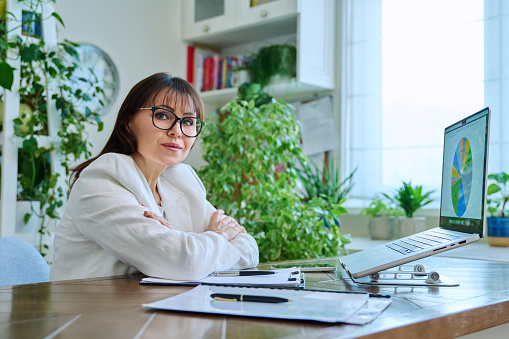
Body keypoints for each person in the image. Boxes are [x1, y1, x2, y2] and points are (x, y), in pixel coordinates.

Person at [49, 73, 259, 281]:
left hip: (161, 307)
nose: (177, 131)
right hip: (91, 311)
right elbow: (185, 263)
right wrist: (219, 236)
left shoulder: (182, 181)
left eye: (188, 121)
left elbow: (250, 249)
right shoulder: (101, 180)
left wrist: (193, 246)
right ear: (127, 122)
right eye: (162, 115)